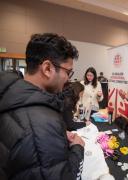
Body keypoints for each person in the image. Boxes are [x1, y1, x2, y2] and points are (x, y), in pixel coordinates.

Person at [0, 33, 85, 180]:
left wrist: (56, 137)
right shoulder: (41, 125)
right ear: (47, 68)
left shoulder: (10, 95)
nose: (67, 79)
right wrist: (78, 148)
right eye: (68, 72)